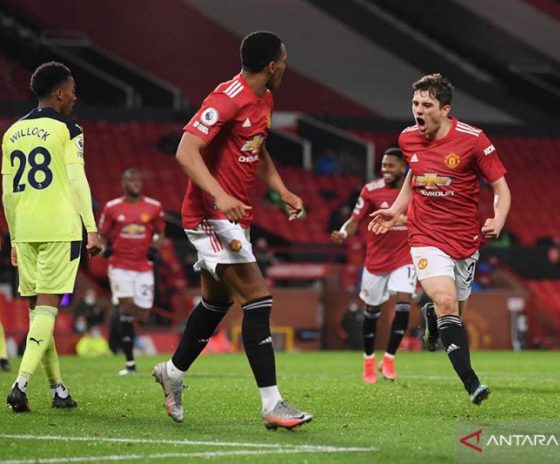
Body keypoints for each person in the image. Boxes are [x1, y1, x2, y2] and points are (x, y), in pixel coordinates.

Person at [151, 31, 312, 429]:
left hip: (235, 215)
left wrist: (282, 190)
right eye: (285, 59)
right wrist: (220, 195)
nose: (286, 66)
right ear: (272, 64)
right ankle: (273, 405)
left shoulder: (265, 99)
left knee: (216, 303)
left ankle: (172, 373)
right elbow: (185, 151)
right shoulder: (226, 97)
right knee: (258, 298)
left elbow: (257, 147)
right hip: (209, 214)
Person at [368, 74, 511, 405]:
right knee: (447, 301)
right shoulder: (407, 139)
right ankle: (472, 382)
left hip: (464, 239)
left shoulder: (473, 140)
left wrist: (498, 219)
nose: (418, 110)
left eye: (427, 105)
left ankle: (432, 322)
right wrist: (395, 209)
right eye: (415, 103)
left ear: (445, 110)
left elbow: (502, 188)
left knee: (453, 312)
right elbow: (413, 175)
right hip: (425, 234)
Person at [2, 61, 102, 412]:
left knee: (38, 315)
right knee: (46, 309)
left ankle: (58, 389)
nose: (75, 96)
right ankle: (21, 383)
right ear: (59, 92)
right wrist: (91, 227)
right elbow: (76, 180)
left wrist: (14, 239)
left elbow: (7, 193)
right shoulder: (69, 129)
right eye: (72, 89)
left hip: (26, 228)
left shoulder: (11, 132)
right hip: (59, 228)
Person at [331, 148, 416, 383]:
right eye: (384, 165)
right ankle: (369, 359)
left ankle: (388, 359)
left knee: (404, 302)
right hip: (377, 260)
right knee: (371, 310)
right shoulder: (371, 190)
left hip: (405, 257)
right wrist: (343, 232)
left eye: (391, 166)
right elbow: (355, 220)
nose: (386, 170)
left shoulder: (415, 191)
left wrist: (402, 219)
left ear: (403, 167)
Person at [99, 168, 165, 375]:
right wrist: (104, 248)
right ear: (123, 183)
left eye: (138, 180)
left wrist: (156, 248)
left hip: (144, 267)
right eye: (131, 180)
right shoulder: (112, 207)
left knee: (142, 317)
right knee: (126, 306)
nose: (136, 183)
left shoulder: (153, 207)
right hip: (119, 266)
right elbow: (102, 235)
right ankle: (129, 363)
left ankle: (128, 330)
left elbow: (160, 231)